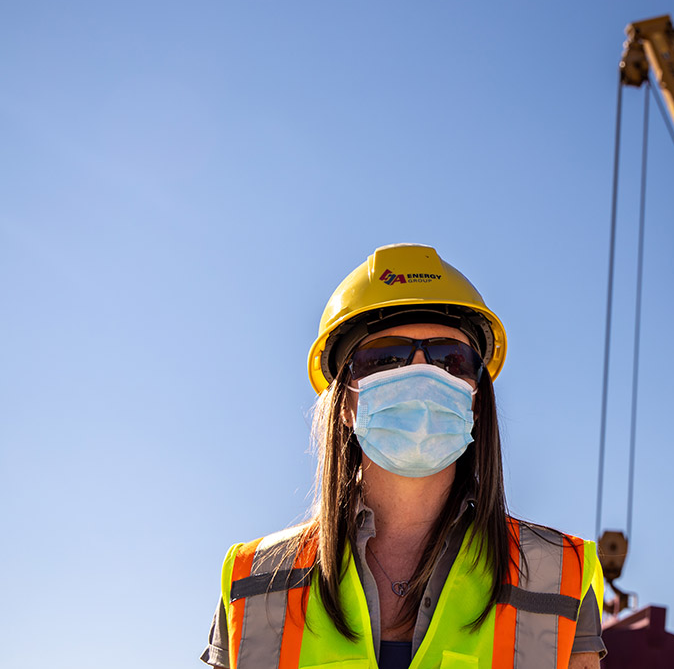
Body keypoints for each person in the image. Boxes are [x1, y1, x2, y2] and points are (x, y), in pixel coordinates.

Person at [202, 244, 605, 669]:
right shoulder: (256, 583)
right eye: (385, 358)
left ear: (477, 401)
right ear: (345, 403)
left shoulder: (560, 576)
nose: (421, 374)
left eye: (451, 359)